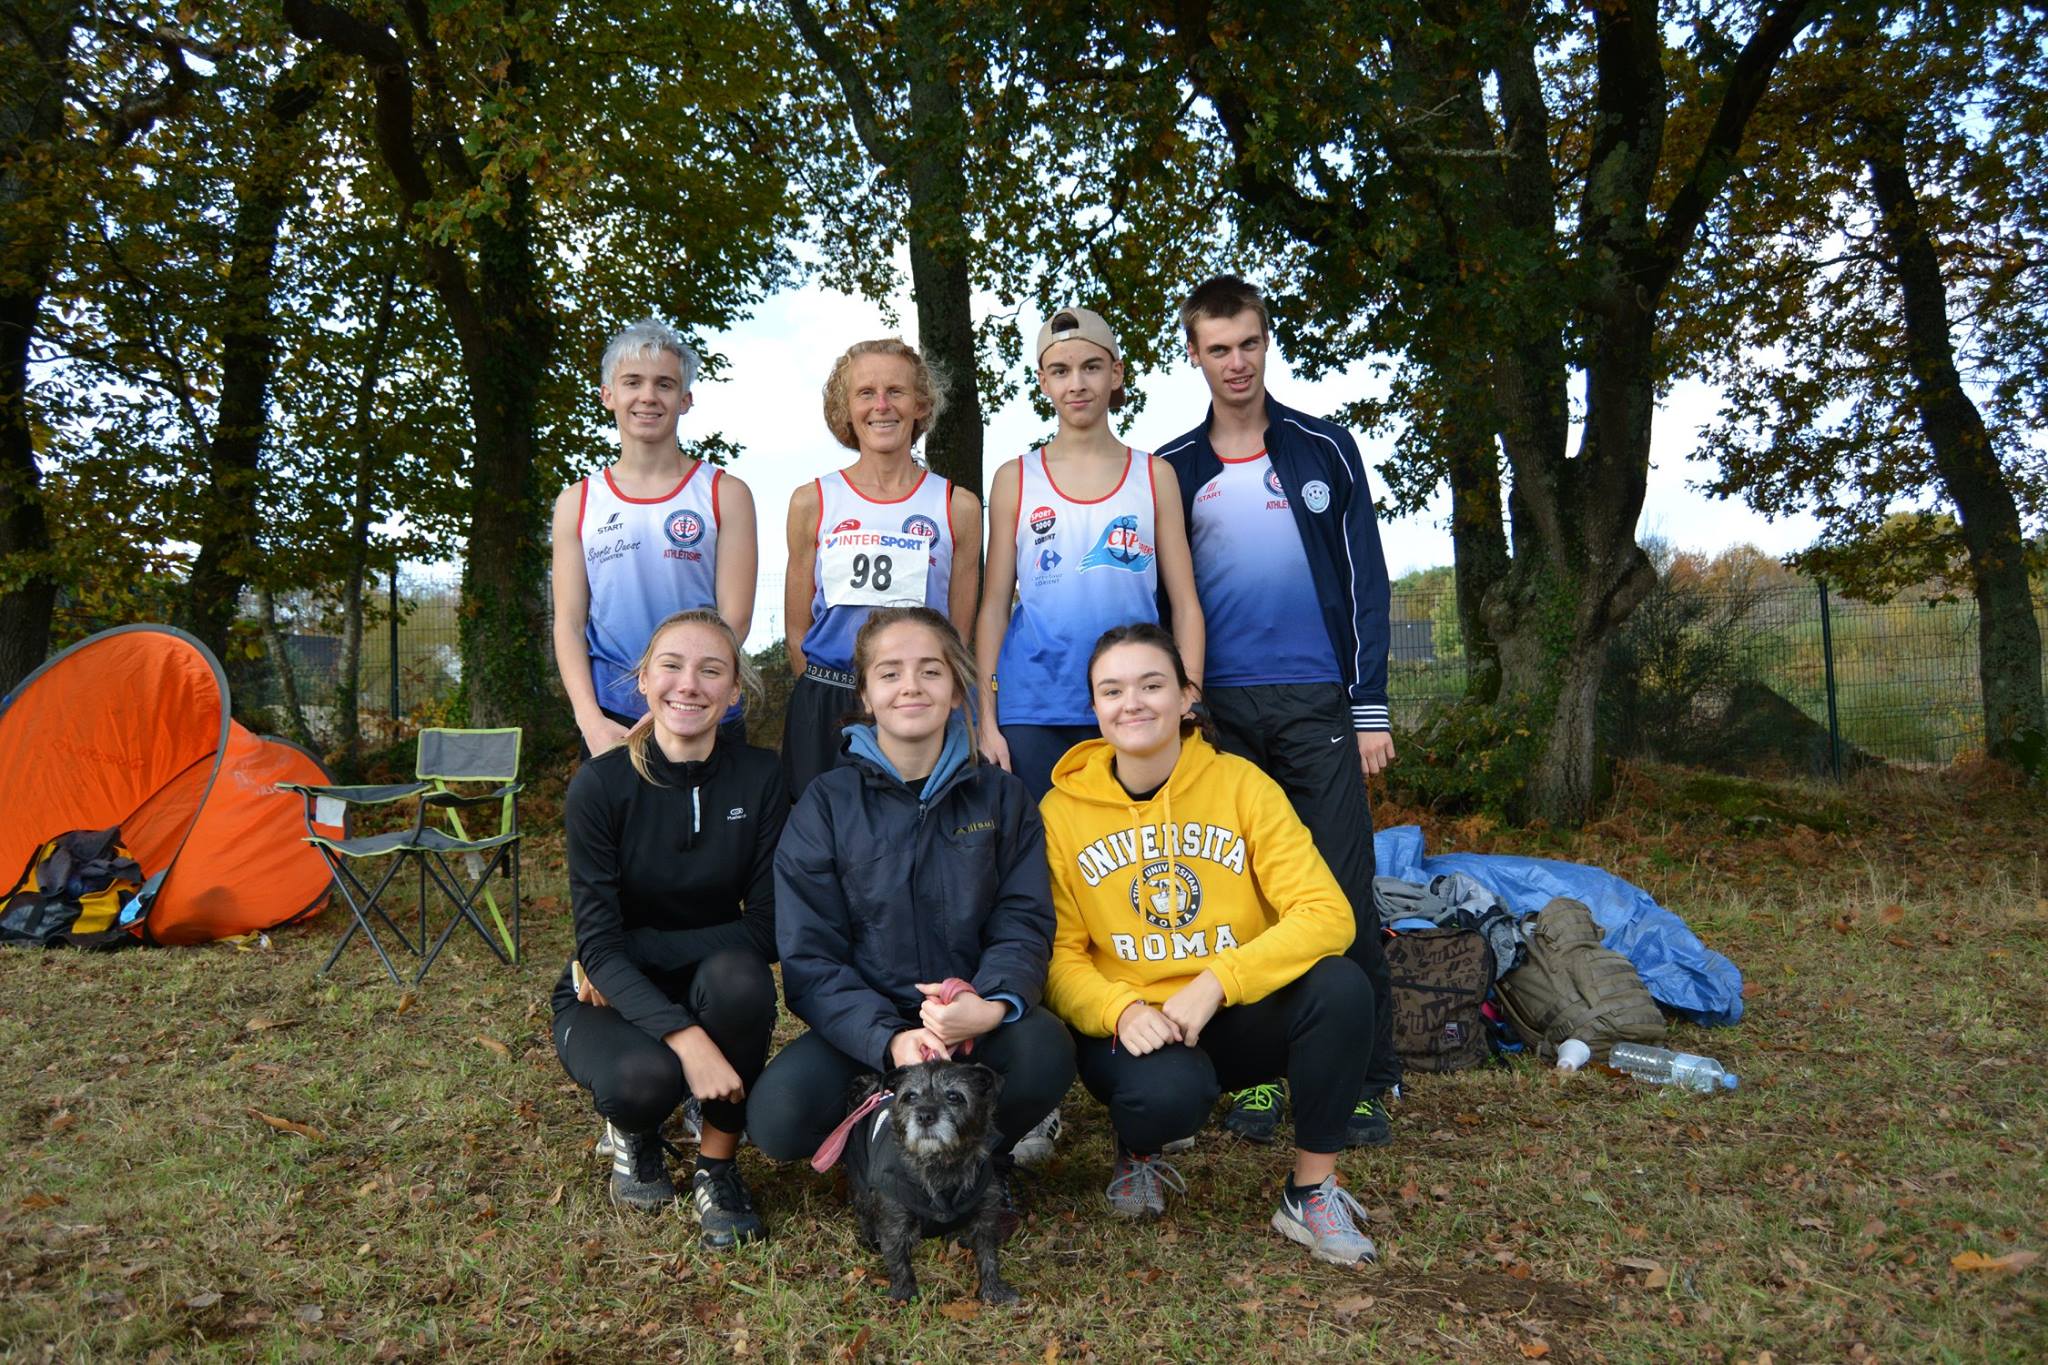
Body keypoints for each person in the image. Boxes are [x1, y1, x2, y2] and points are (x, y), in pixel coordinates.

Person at [1040, 623, 1378, 1265]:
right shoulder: (1060, 812)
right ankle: (1139, 1148)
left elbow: (1327, 913)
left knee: (1341, 986)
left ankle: (1310, 1192)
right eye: (1112, 690)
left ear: (1186, 696)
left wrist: (1219, 980)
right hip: (1137, 1025)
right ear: (1094, 708)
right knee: (1164, 1100)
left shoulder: (1242, 785)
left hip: (1233, 1009)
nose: (1132, 703)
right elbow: (1058, 955)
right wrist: (1120, 1010)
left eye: (1151, 685)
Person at [1156, 275, 1400, 1149]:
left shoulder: (1324, 448)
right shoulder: (1172, 468)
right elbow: (1163, 598)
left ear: (1267, 344)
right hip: (1220, 710)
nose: (1236, 362)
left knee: (1338, 889)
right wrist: (1178, 704)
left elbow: (1366, 579)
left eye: (1249, 344)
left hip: (1317, 701)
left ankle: (1367, 1076)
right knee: (1238, 895)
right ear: (1194, 355)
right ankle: (1256, 1070)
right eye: (1218, 348)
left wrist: (1368, 706)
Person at [748, 606, 1075, 1214]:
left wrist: (989, 1006)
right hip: (867, 1034)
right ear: (865, 694)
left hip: (971, 1025)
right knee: (778, 1120)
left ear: (957, 689)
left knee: (1045, 1049)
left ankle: (980, 1158)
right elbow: (810, 955)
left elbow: (1024, 920)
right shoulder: (825, 804)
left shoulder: (1002, 796)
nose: (911, 686)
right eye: (890, 672)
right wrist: (890, 1039)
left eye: (930, 670)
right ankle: (881, 1141)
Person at [551, 609, 785, 1248]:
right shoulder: (600, 786)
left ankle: (717, 1166)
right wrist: (686, 1037)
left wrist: (640, 948)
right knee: (642, 1080)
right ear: (643, 682)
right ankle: (635, 1131)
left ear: (733, 692)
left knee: (742, 980)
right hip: (610, 992)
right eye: (672, 666)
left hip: (708, 976)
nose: (689, 684)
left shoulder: (762, 778)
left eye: (711, 670)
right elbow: (598, 948)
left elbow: (767, 931)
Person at [975, 306, 1204, 800]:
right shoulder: (1015, 479)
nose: (1076, 383)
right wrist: (985, 716)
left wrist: (1189, 701)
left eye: (1091, 367)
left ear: (1116, 373)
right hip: (1034, 709)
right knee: (1038, 844)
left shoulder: (1154, 476)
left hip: (1133, 704)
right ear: (1043, 382)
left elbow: (1186, 604)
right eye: (1060, 371)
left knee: (1129, 843)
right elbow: (993, 608)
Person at [782, 340, 982, 799]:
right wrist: (830, 695)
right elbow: (797, 631)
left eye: (896, 391)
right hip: (828, 698)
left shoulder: (958, 507)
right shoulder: (812, 501)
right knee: (823, 831)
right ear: (846, 408)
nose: (882, 405)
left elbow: (957, 634)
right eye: (866, 393)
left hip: (915, 697)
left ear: (921, 404)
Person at [551, 318, 757, 758]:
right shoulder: (577, 502)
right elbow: (568, 623)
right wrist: (590, 721)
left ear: (685, 400)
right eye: (632, 382)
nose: (648, 396)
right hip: (611, 719)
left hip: (702, 709)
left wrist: (675, 701)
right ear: (608, 395)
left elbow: (735, 618)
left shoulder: (725, 494)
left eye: (664, 384)